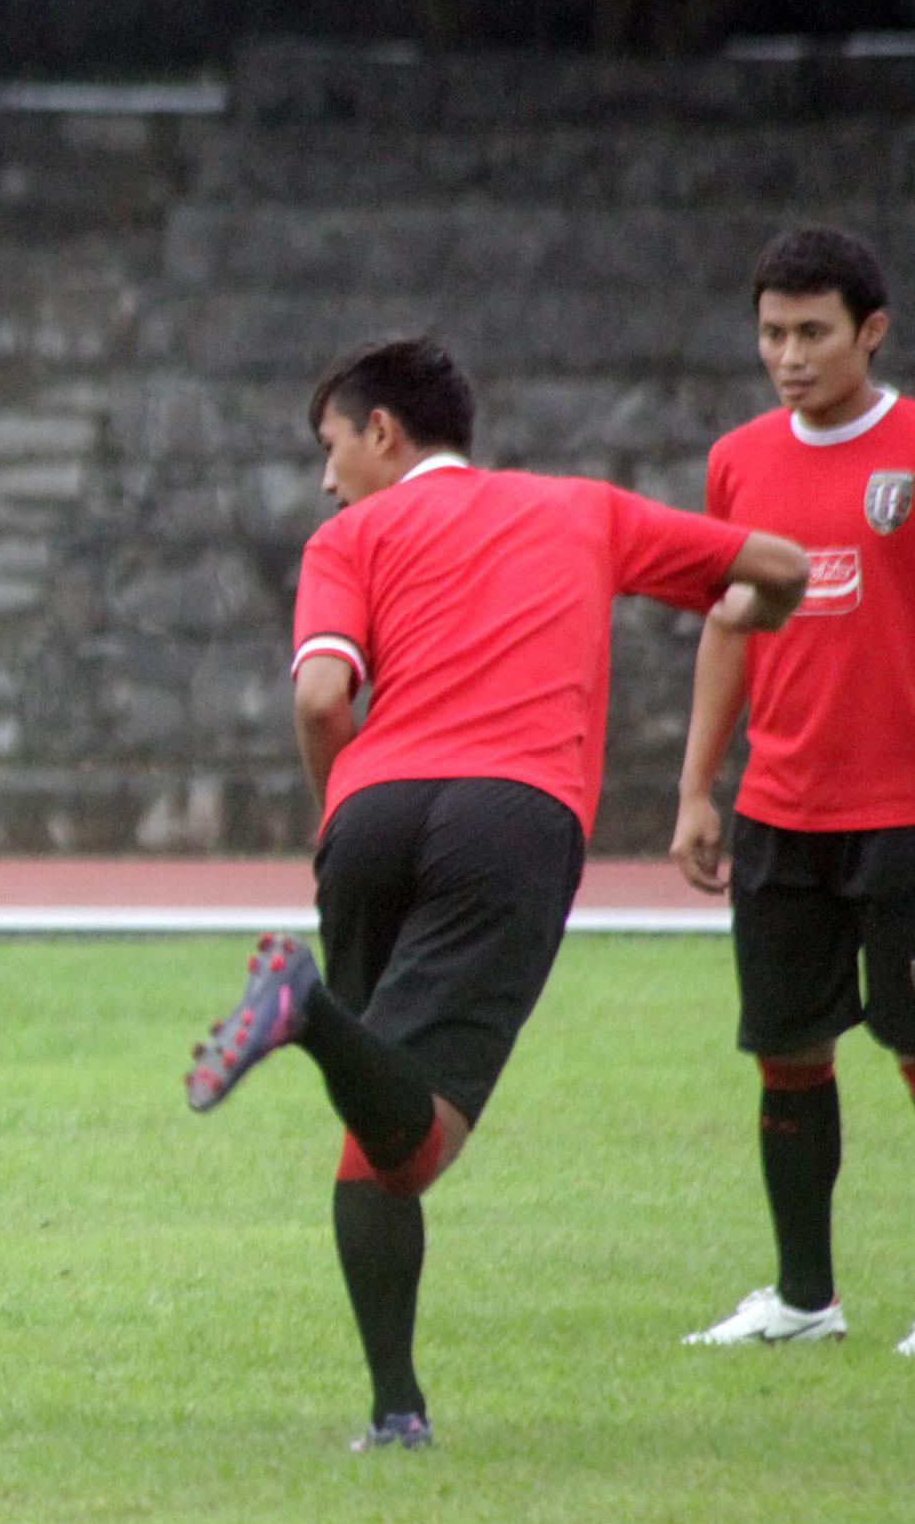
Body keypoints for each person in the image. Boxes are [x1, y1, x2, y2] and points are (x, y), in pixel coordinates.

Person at [182, 335, 807, 1448]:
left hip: (368, 815)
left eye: (332, 446)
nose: (327, 477)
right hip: (511, 817)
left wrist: (342, 811)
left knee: (374, 1133)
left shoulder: (349, 535)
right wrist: (746, 618)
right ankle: (307, 1008)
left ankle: (396, 1410)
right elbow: (782, 568)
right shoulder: (581, 507)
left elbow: (325, 694)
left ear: (383, 432)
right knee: (416, 1139)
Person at [674, 227, 915, 1352]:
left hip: (905, 807)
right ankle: (805, 1297)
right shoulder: (740, 460)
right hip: (782, 805)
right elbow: (731, 623)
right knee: (787, 1048)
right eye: (772, 332)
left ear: (871, 329)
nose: (789, 354)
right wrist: (697, 789)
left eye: (813, 331)